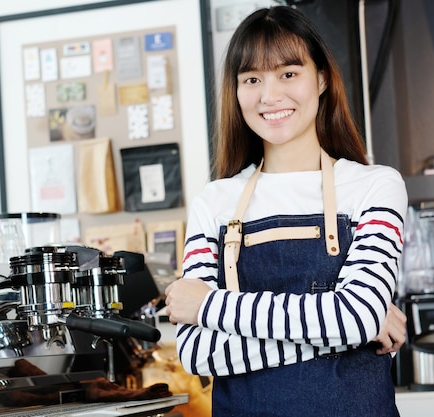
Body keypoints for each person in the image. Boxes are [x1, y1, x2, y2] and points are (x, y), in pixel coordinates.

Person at [164, 5, 407, 417]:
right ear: (236, 90)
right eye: (252, 79)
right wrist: (344, 328)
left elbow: (357, 317)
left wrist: (208, 307)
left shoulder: (375, 186)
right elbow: (198, 352)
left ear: (322, 78)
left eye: (288, 74)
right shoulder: (215, 201)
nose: (269, 95)